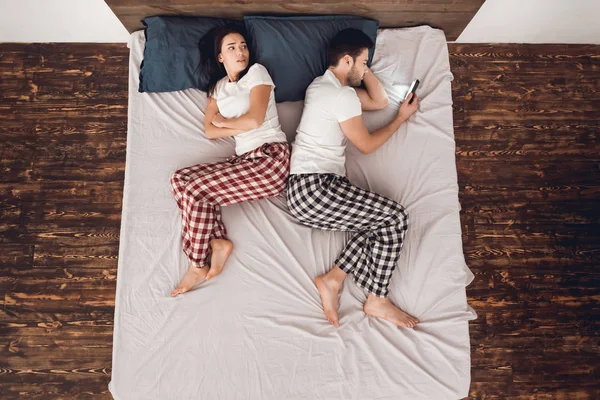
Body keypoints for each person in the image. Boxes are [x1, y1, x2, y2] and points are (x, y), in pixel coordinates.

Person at [286, 28, 419, 328]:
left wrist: (361, 68)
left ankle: (333, 280)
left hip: (308, 191)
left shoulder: (319, 87)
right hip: (315, 188)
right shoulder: (342, 95)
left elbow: (380, 101)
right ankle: (377, 299)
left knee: (377, 224)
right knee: (395, 218)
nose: (365, 68)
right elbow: (367, 145)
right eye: (363, 62)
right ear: (347, 60)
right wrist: (401, 119)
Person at [170, 27, 289, 297]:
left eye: (243, 45)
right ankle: (217, 242)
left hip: (270, 159)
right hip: (244, 160)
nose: (241, 52)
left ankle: (198, 262)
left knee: (196, 191)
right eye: (232, 47)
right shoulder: (218, 88)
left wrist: (225, 122)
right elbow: (209, 131)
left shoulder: (258, 73)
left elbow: (255, 120)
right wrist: (231, 125)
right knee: (180, 179)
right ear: (220, 57)